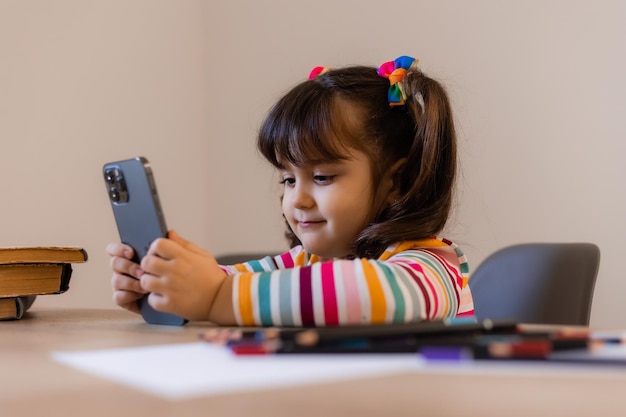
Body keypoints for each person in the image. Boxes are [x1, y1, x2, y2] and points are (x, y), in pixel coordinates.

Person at [107, 55, 474, 326]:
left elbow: (380, 293)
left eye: (323, 177)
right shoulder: (304, 262)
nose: (296, 199)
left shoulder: (433, 268)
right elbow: (224, 280)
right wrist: (167, 285)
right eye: (288, 179)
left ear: (398, 182)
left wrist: (217, 298)